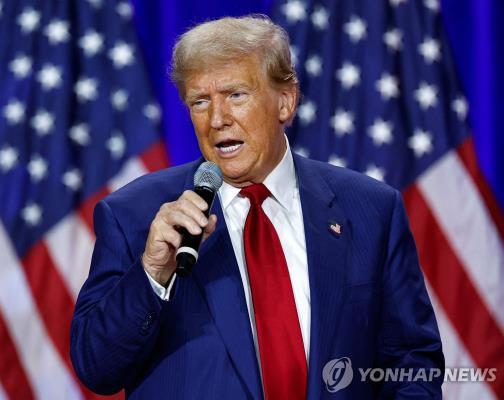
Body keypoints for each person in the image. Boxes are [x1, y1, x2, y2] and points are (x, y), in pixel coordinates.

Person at [70, 15, 444, 399]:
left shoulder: (371, 210)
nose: (217, 119)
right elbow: (96, 369)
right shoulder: (136, 215)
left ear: (285, 101)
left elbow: (412, 361)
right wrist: (152, 272)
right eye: (200, 101)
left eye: (236, 95)